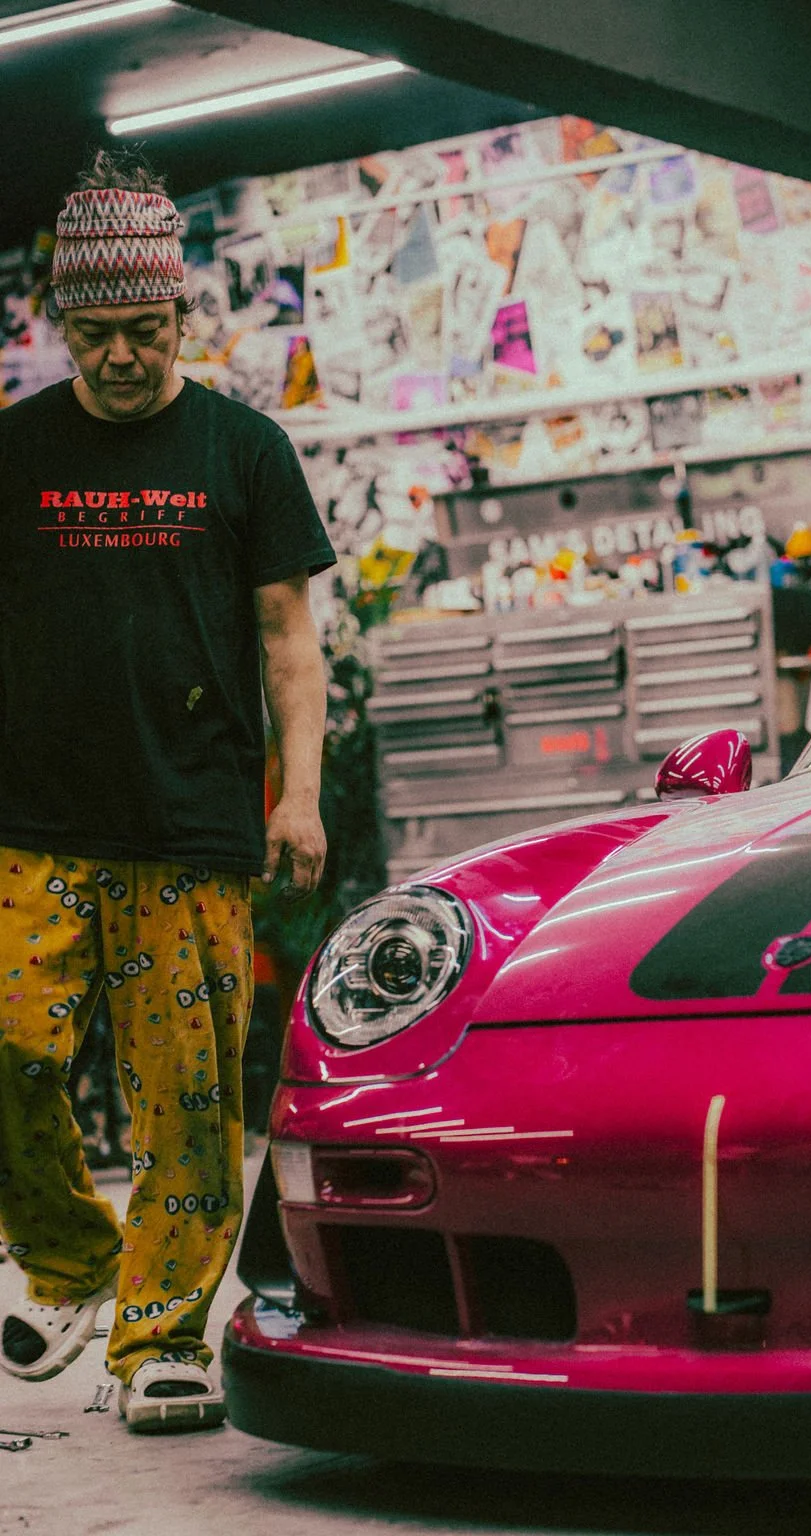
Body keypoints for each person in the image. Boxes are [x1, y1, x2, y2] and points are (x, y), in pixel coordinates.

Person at [0, 150, 335, 1431]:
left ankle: (157, 1338)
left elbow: (289, 640)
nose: (123, 355)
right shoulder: (14, 452)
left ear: (184, 316)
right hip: (31, 816)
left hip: (192, 821)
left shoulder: (244, 448)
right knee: (13, 1049)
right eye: (97, 334)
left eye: (144, 329)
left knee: (189, 1094)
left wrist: (296, 796)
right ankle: (75, 1264)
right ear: (58, 326)